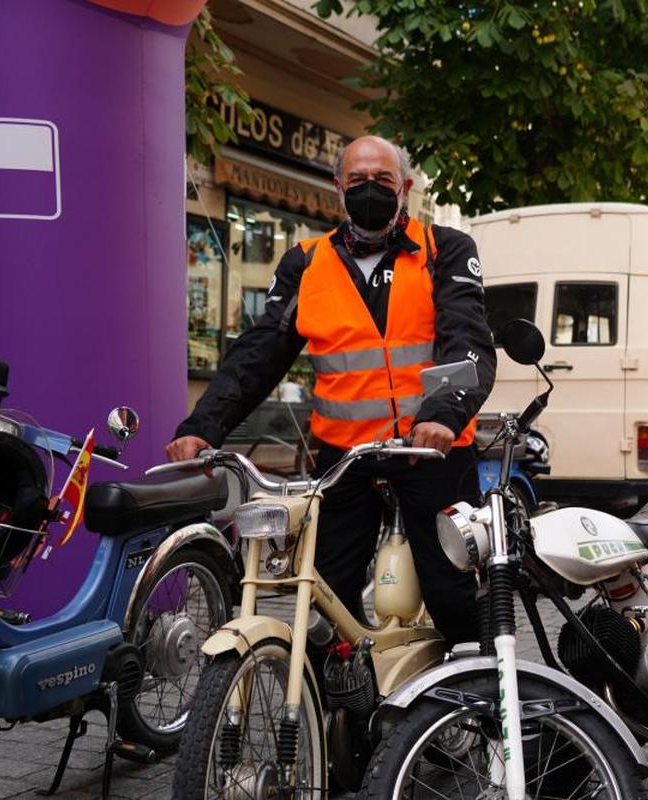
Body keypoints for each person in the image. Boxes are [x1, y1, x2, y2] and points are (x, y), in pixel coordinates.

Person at [167, 136, 495, 642]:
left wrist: (443, 416)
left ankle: (477, 703)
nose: (370, 190)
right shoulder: (305, 262)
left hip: (432, 455)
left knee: (455, 597)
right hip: (347, 459)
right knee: (324, 600)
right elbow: (258, 355)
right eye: (358, 180)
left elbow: (468, 342)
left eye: (383, 181)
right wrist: (201, 427)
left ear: (404, 188)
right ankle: (339, 711)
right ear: (338, 187)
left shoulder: (443, 249)